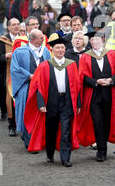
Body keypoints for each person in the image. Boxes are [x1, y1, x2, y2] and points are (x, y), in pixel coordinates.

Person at [24, 35, 81, 167]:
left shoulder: (71, 65)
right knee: (51, 131)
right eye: (57, 47)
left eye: (62, 47)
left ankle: (65, 158)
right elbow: (38, 86)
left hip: (67, 101)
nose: (60, 50)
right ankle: (50, 154)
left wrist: (78, 103)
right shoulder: (45, 66)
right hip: (51, 102)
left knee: (66, 131)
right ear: (52, 50)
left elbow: (77, 86)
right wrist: (41, 103)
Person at [77, 30, 115, 162]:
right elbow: (82, 77)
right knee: (97, 122)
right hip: (94, 96)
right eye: (92, 40)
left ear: (102, 40)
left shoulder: (112, 54)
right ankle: (101, 151)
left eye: (97, 39)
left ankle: (104, 145)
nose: (94, 42)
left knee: (107, 122)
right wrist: (95, 82)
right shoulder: (86, 56)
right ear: (90, 42)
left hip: (110, 95)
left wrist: (111, 80)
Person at [10, 29, 51, 149]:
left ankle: (39, 139)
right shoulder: (20, 51)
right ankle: (29, 141)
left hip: (42, 87)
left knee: (41, 112)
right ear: (33, 39)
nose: (43, 40)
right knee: (27, 112)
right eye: (41, 38)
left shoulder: (46, 51)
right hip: (27, 85)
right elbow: (15, 69)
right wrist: (30, 76)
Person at [0, 18, 20, 136]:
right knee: (10, 100)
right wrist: (6, 55)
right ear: (9, 27)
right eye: (14, 25)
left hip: (22, 76)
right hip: (8, 75)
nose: (16, 27)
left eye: (18, 24)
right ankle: (12, 126)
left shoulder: (24, 39)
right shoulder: (2, 41)